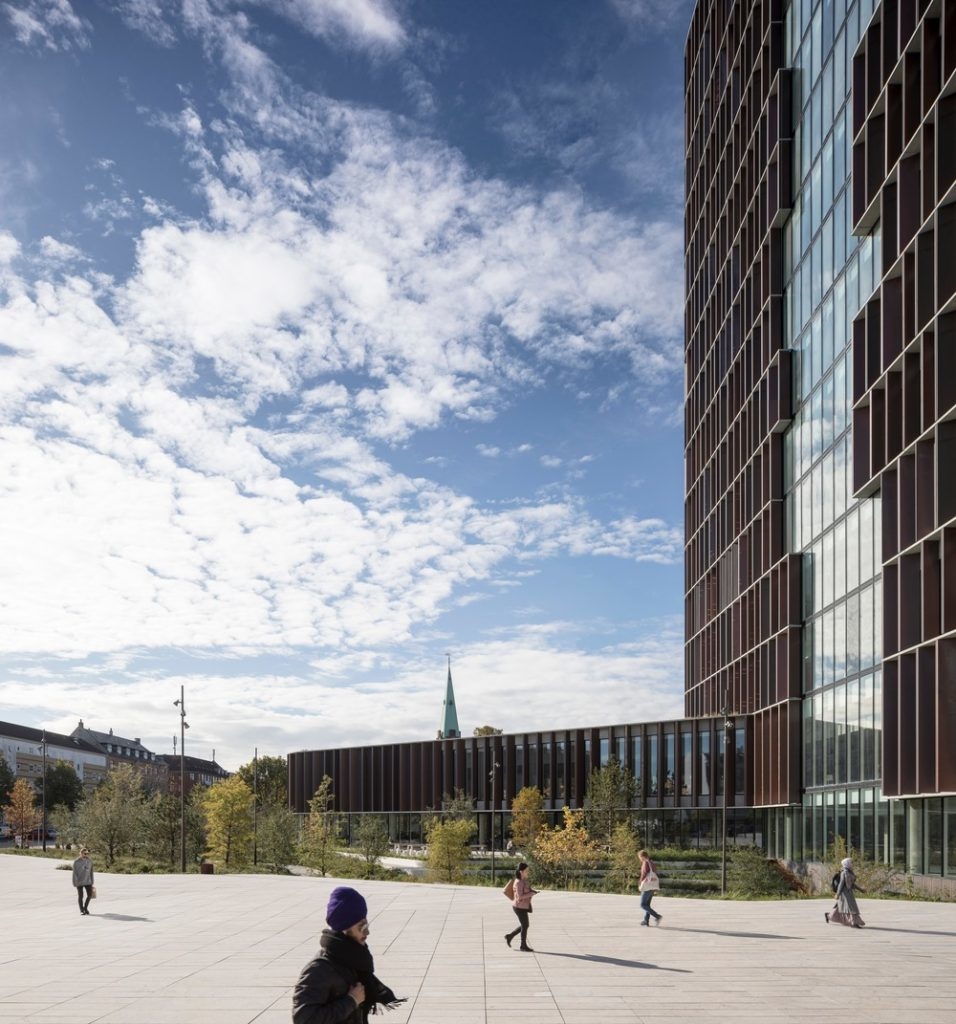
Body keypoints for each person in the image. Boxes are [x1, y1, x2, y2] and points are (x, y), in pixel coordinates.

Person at [292, 886, 403, 1024]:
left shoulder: (353, 959)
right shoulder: (319, 969)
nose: (367, 932)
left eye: (367, 925)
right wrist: (351, 1000)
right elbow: (304, 1019)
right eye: (362, 927)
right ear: (345, 928)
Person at [504, 862, 538, 952]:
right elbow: (520, 897)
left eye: (528, 870)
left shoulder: (523, 881)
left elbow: (525, 891)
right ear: (521, 872)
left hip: (522, 906)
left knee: (525, 925)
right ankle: (522, 945)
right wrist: (532, 893)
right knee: (525, 925)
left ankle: (510, 936)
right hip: (519, 907)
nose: (528, 872)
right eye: (526, 871)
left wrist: (532, 891)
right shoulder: (519, 882)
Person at [826, 857, 866, 928]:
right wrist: (837, 894)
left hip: (849, 892)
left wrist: (861, 890)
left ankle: (829, 916)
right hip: (844, 893)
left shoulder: (850, 872)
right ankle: (853, 923)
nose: (852, 864)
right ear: (846, 864)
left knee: (841, 908)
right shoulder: (844, 872)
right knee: (851, 908)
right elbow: (841, 884)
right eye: (851, 862)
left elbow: (852, 884)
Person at [638, 849, 662, 926]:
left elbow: (644, 874)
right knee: (647, 905)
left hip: (647, 887)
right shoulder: (652, 863)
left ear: (642, 856)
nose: (640, 859)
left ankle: (657, 916)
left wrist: (640, 883)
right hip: (652, 886)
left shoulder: (645, 863)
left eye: (640, 857)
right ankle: (646, 921)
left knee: (642, 905)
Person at [72, 848, 94, 916]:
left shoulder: (90, 861)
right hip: (79, 881)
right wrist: (75, 882)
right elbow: (74, 873)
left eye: (87, 854)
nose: (86, 855)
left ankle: (85, 908)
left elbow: (91, 871)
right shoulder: (76, 862)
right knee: (81, 896)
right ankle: (81, 910)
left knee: (90, 895)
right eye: (84, 854)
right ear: (80, 853)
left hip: (88, 881)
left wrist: (92, 880)